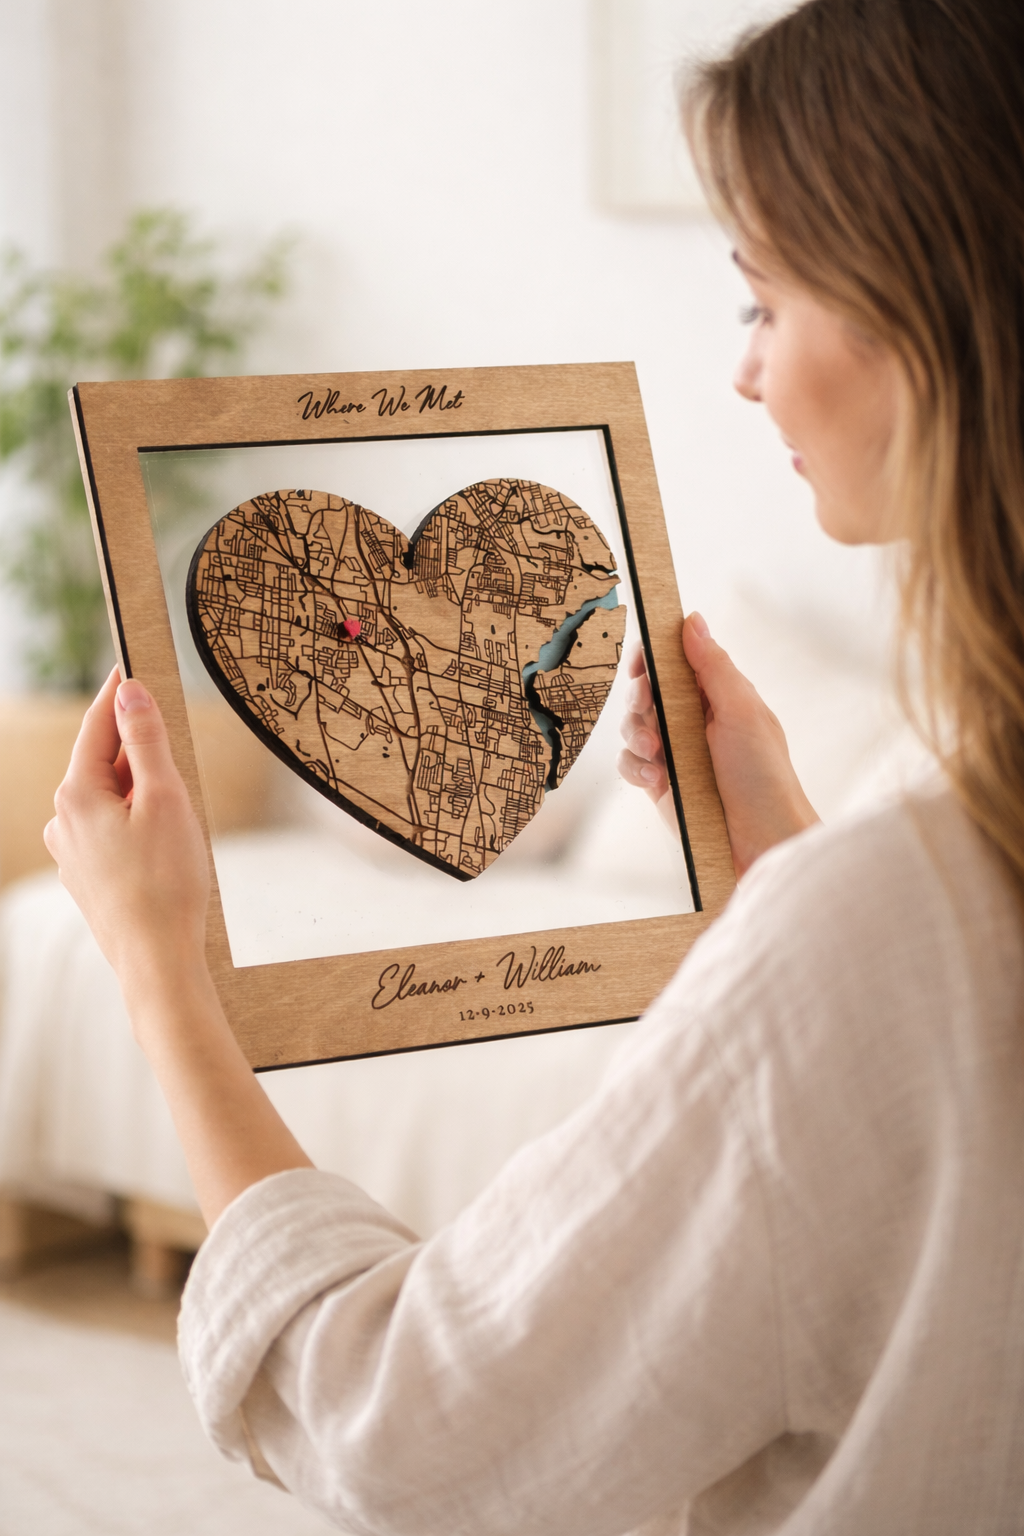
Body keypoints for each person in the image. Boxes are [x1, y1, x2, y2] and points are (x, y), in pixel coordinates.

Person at [44, 0, 1024, 1529]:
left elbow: (405, 1426)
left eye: (762, 300)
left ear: (926, 309)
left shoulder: (890, 908)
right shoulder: (917, 886)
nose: (744, 373)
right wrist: (785, 854)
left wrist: (160, 967)